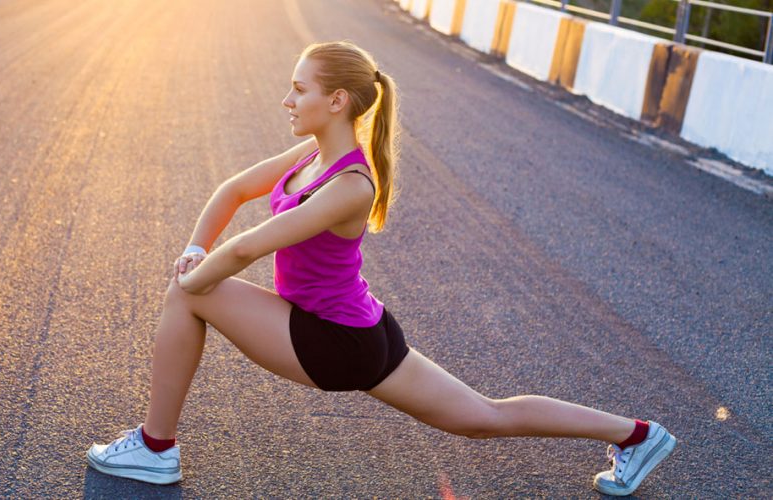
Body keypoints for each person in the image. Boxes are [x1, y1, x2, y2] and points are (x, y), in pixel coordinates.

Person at [85, 40, 676, 496]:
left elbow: (246, 250)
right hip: (363, 328)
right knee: (483, 417)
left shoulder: (348, 184)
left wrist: (191, 275)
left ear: (337, 99)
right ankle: (636, 435)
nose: (287, 101)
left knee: (189, 295)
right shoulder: (316, 152)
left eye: (299, 89)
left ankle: (156, 448)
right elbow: (234, 188)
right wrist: (194, 246)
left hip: (336, 341)